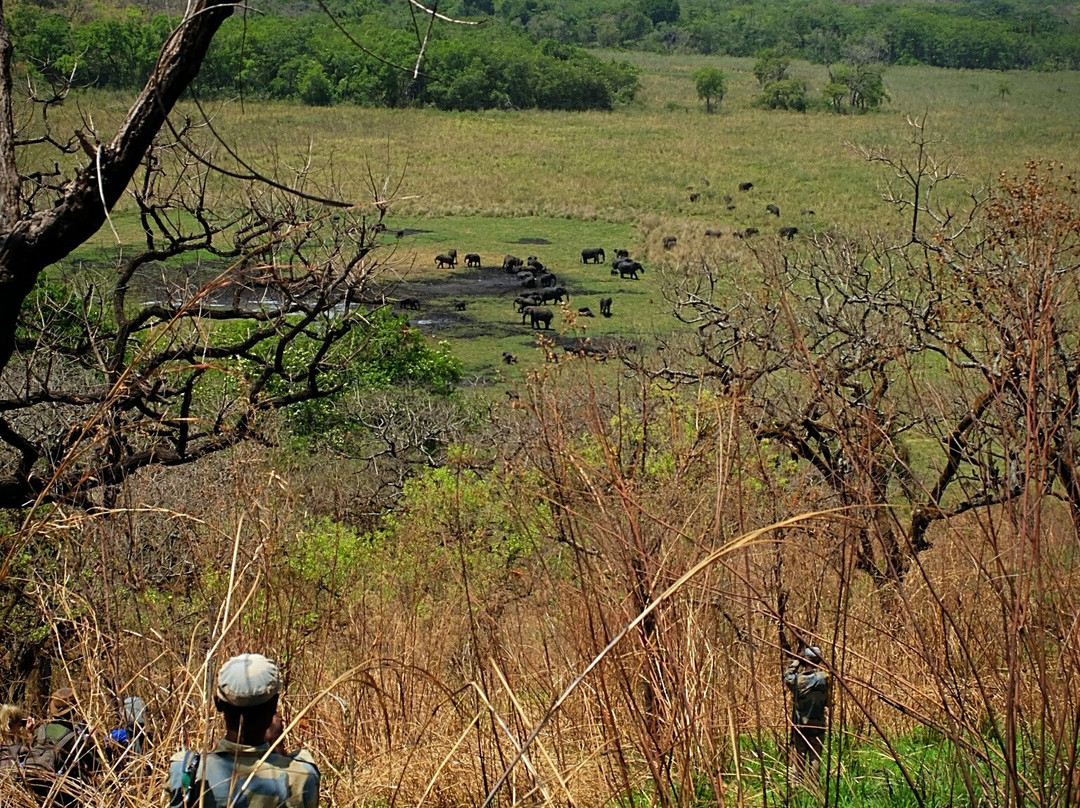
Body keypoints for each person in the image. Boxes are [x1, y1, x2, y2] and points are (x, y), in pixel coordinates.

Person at [168, 653, 319, 808]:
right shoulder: (303, 775)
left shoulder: (186, 772)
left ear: (218, 703)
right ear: (274, 704)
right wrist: (277, 749)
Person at [783, 646, 830, 778]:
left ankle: (797, 783)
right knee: (815, 755)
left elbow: (787, 676)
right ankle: (813, 785)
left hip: (800, 724)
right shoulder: (825, 678)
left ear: (805, 660)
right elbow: (829, 702)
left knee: (799, 754)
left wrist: (797, 661)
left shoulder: (798, 680)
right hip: (818, 724)